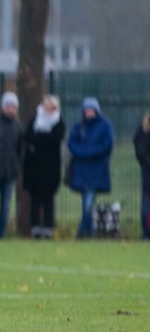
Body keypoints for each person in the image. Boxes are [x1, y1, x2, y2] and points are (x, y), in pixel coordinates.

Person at [67, 96, 113, 239]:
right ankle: (90, 232)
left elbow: (107, 145)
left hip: (97, 170)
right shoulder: (78, 126)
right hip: (81, 170)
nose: (88, 112)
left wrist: (90, 153)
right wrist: (83, 153)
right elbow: (71, 143)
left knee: (89, 201)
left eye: (91, 109)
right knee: (86, 201)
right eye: (86, 109)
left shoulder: (105, 125)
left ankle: (82, 232)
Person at [21, 94, 64, 239]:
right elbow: (27, 137)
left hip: (51, 170)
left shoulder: (59, 123)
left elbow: (54, 139)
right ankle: (35, 229)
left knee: (48, 201)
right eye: (47, 106)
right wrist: (41, 139)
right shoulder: (34, 120)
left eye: (52, 107)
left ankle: (48, 229)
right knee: (35, 201)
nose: (49, 109)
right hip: (34, 169)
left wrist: (38, 139)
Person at [0, 91, 24, 238]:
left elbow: (21, 149)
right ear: (3, 107)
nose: (11, 109)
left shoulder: (18, 126)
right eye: (8, 106)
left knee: (5, 206)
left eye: (13, 106)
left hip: (10, 172)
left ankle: (0, 233)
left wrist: (17, 166)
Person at [135, 110, 150, 240]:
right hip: (148, 177)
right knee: (146, 208)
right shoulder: (142, 133)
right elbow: (141, 154)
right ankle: (146, 233)